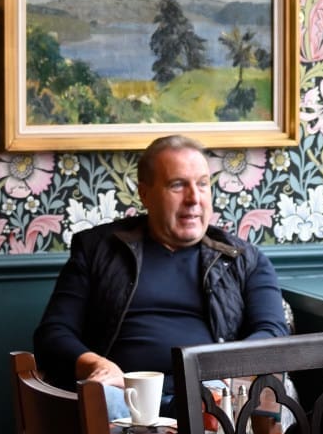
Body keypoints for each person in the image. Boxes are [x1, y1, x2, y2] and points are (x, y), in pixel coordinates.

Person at [34, 135, 288, 418]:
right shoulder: (97, 250)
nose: (194, 198)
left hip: (208, 395)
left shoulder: (243, 259)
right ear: (145, 194)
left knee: (229, 406)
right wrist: (98, 366)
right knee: (100, 400)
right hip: (123, 397)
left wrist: (220, 371)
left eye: (203, 184)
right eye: (177, 185)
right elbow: (52, 334)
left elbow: (274, 333)